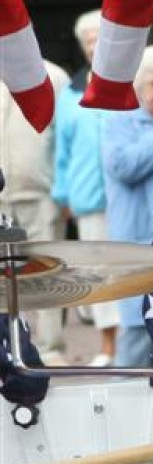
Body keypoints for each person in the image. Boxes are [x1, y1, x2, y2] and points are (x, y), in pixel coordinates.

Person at [53, 9, 116, 366]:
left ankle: (132, 341)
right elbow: (61, 148)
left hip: (127, 195)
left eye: (99, 39)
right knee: (98, 274)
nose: (94, 47)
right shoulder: (70, 93)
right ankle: (108, 347)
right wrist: (62, 194)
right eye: (88, 41)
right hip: (88, 194)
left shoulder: (128, 79)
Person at [0, 57, 69, 363]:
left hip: (42, 192)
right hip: (2, 195)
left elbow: (66, 135)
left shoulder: (52, 76)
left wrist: (63, 189)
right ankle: (10, 348)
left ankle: (51, 348)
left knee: (47, 272)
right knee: (4, 279)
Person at [101, 45, 153, 367]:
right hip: (137, 247)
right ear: (138, 87)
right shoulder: (119, 120)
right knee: (138, 344)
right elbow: (123, 166)